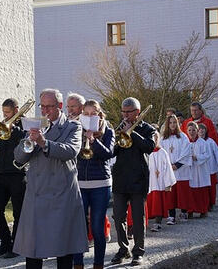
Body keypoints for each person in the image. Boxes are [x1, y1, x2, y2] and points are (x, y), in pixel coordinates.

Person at [13, 88, 88, 269]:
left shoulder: (72, 126)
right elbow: (18, 158)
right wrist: (28, 143)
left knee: (64, 248)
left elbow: (70, 151)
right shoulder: (35, 125)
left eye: (49, 106)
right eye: (42, 106)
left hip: (61, 193)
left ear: (60, 106)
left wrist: (43, 142)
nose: (45, 111)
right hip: (37, 192)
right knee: (33, 248)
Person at [111, 97, 155, 266]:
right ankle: (123, 249)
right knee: (118, 217)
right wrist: (119, 134)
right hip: (120, 178)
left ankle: (138, 252)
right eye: (123, 111)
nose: (125, 115)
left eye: (129, 112)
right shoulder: (119, 128)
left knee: (137, 218)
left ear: (137, 112)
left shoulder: (148, 129)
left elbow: (149, 147)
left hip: (138, 179)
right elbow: (112, 151)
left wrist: (132, 132)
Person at [73, 99, 115, 269]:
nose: (90, 116)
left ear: (99, 114)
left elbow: (108, 154)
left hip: (101, 184)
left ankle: (98, 264)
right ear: (82, 115)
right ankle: (78, 263)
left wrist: (93, 140)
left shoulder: (108, 131)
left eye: (94, 113)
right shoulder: (76, 129)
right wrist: (81, 135)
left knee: (97, 228)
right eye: (86, 114)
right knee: (78, 227)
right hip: (80, 184)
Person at [0, 98, 27, 258]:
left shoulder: (25, 124)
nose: (5, 115)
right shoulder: (1, 125)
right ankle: (5, 243)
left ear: (17, 110)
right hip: (1, 173)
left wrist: (13, 127)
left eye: (8, 112)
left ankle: (16, 246)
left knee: (18, 213)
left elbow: (26, 141)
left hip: (18, 174)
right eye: (3, 112)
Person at [181, 102, 218, 183]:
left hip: (205, 158)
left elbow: (214, 141)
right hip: (190, 158)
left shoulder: (208, 122)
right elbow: (183, 139)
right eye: (192, 110)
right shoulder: (186, 123)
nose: (194, 112)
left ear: (201, 111)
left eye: (196, 110)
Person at [160, 114, 192, 224]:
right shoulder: (163, 138)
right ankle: (171, 215)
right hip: (168, 170)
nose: (172, 125)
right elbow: (160, 153)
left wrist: (177, 165)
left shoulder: (183, 137)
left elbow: (186, 152)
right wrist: (168, 166)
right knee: (170, 194)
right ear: (167, 124)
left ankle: (184, 212)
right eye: (170, 123)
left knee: (182, 192)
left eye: (174, 122)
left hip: (181, 169)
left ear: (177, 124)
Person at [147, 131, 176, 232]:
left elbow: (168, 167)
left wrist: (168, 183)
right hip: (150, 182)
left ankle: (157, 223)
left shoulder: (162, 152)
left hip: (159, 182)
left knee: (158, 203)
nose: (154, 141)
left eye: (155, 139)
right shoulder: (146, 152)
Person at [198, 123, 218, 209]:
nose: (201, 131)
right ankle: (204, 203)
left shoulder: (210, 142)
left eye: (203, 129)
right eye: (199, 129)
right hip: (200, 168)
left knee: (211, 188)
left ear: (206, 131)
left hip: (211, 168)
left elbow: (217, 153)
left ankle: (211, 203)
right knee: (203, 188)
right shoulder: (196, 142)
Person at [186, 121, 211, 218]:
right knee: (191, 191)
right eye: (189, 130)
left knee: (202, 190)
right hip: (190, 169)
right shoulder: (186, 143)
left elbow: (207, 155)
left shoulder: (202, 142)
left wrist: (197, 157)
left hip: (201, 169)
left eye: (193, 130)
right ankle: (190, 210)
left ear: (197, 130)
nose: (191, 132)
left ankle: (203, 210)